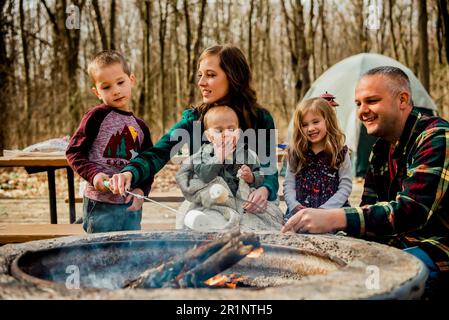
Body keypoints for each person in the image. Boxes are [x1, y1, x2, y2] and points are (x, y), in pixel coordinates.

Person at [282, 66, 449, 297]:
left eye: (372, 101)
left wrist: (333, 218)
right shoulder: (380, 148)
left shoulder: (435, 136)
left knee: (372, 284)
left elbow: (411, 211)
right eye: (358, 103)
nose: (363, 111)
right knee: (326, 268)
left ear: (402, 99)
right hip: (392, 244)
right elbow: (369, 208)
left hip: (434, 247)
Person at [108, 44, 279, 217]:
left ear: (234, 77)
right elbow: (159, 152)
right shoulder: (194, 119)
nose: (201, 82)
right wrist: (131, 171)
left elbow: (268, 168)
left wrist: (265, 189)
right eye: (200, 75)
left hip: (250, 204)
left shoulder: (261, 119)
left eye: (210, 75)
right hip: (210, 207)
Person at [66, 50, 153, 233]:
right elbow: (74, 152)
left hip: (130, 204)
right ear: (96, 92)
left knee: (129, 254)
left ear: (132, 80)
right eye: (106, 87)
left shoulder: (141, 126)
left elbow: (147, 164)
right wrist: (94, 175)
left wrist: (142, 191)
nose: (116, 91)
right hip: (99, 204)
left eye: (120, 82)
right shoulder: (96, 116)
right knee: (99, 254)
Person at [175, 105, 283, 231]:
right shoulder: (203, 154)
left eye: (231, 129)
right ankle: (209, 226)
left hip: (240, 201)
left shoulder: (246, 154)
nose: (226, 134)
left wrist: (251, 177)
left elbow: (260, 177)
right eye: (219, 131)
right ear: (209, 136)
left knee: (265, 219)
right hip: (214, 203)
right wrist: (219, 157)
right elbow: (204, 176)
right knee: (209, 220)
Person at [283, 97, 352, 221]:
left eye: (315, 122)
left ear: (328, 121)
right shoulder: (296, 153)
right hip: (300, 214)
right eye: (304, 125)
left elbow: (345, 187)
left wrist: (324, 211)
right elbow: (288, 184)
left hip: (331, 214)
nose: (310, 128)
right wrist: (294, 205)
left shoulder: (340, 153)